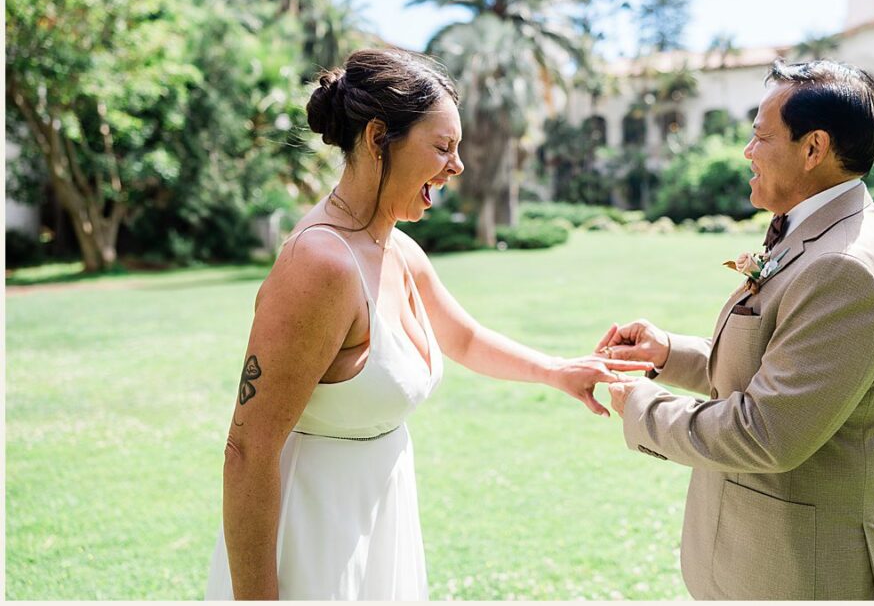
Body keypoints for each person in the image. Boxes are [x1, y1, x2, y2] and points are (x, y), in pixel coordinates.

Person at [206, 48, 652, 599]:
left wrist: (558, 371)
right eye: (442, 147)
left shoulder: (396, 247)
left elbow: (462, 337)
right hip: (313, 537)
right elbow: (247, 451)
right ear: (376, 138)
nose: (457, 166)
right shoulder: (318, 264)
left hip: (381, 517)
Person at [598, 59, 874, 599]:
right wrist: (667, 353)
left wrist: (638, 403)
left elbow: (765, 431)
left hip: (802, 571)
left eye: (759, 135)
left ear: (813, 148)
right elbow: (774, 366)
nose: (747, 151)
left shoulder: (846, 267)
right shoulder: (816, 234)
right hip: (755, 556)